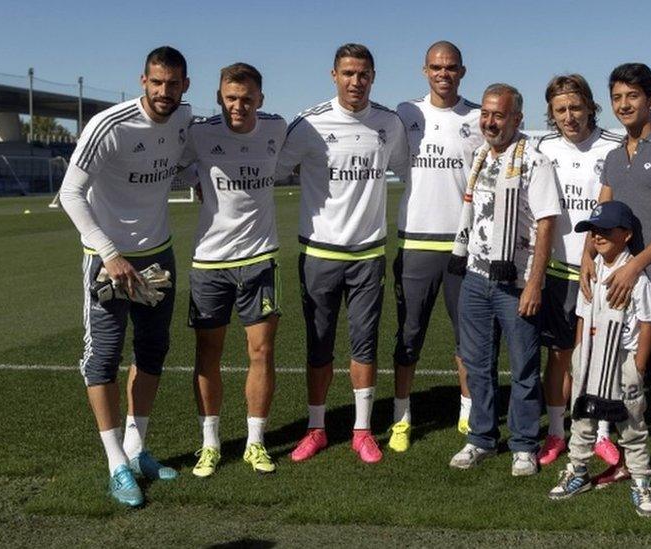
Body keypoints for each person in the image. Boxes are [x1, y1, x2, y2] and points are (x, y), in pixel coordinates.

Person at [59, 46, 191, 506]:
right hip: (108, 262)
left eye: (172, 84)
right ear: (143, 81)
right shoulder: (108, 126)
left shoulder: (184, 119)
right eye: (156, 82)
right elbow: (70, 193)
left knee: (153, 351)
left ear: (184, 88)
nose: (163, 92)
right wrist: (109, 253)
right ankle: (116, 462)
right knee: (103, 358)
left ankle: (137, 449)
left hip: (159, 257)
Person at [278, 43, 409, 464]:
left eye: (364, 74)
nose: (356, 81)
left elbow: (410, 171)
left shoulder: (389, 123)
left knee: (364, 343)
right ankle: (316, 428)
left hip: (368, 254)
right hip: (319, 253)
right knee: (318, 345)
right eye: (348, 73)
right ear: (334, 75)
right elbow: (272, 168)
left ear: (373, 77)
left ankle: (362, 430)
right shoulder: (309, 124)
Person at [581, 62, 651, 508]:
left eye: (632, 96)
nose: (624, 105)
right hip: (617, 286)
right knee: (623, 378)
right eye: (617, 98)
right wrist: (589, 259)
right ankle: (630, 461)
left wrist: (636, 266)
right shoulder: (613, 155)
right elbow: (602, 213)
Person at [178, 63, 286, 477]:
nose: (238, 106)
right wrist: (197, 179)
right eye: (230, 98)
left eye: (246, 98)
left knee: (261, 352)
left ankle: (255, 443)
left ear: (261, 98)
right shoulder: (202, 133)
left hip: (259, 260)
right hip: (209, 263)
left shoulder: (277, 129)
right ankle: (210, 444)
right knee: (208, 354)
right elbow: (174, 161)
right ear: (219, 97)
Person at [447, 83, 560, 476]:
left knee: (524, 366)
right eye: (486, 114)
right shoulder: (479, 155)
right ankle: (480, 437)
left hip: (516, 281)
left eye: (499, 115)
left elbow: (546, 223)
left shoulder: (535, 160)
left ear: (517, 119)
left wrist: (534, 282)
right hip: (476, 277)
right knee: (477, 365)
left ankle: (524, 443)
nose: (490, 122)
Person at [391, 41, 483, 451]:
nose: (443, 73)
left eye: (450, 67)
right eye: (435, 67)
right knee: (409, 334)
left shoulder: (480, 117)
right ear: (424, 70)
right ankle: (401, 416)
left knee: (468, 336)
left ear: (462, 71)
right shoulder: (405, 114)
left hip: (464, 246)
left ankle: (467, 410)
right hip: (415, 243)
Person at [548, 201, 651, 517]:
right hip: (590, 355)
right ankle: (578, 471)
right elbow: (583, 316)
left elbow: (648, 322)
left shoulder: (637, 278)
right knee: (582, 416)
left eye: (606, 230)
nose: (597, 236)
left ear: (626, 235)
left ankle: (641, 482)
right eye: (594, 230)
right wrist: (578, 358)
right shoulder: (592, 269)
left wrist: (638, 366)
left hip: (622, 359)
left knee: (631, 424)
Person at [535, 74, 623, 467]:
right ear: (551, 114)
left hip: (601, 270)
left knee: (601, 356)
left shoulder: (614, 146)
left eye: (575, 107)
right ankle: (557, 432)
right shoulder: (542, 147)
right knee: (559, 355)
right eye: (560, 110)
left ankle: (602, 432)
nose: (569, 117)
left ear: (590, 106)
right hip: (557, 269)